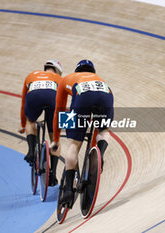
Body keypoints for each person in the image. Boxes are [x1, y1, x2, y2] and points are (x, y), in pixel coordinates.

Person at [50, 59, 114, 205]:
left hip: (82, 99)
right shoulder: (100, 79)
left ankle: (68, 190)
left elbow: (59, 109)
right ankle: (100, 155)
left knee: (74, 144)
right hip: (106, 95)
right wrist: (94, 153)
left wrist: (56, 138)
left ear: (76, 71)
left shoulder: (68, 79)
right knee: (103, 131)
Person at [20, 60, 62, 186]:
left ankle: (31, 150)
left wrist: (23, 125)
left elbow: (23, 103)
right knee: (55, 138)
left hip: (34, 97)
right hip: (53, 99)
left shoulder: (31, 75)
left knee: (30, 121)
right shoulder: (59, 78)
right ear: (57, 71)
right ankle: (53, 174)